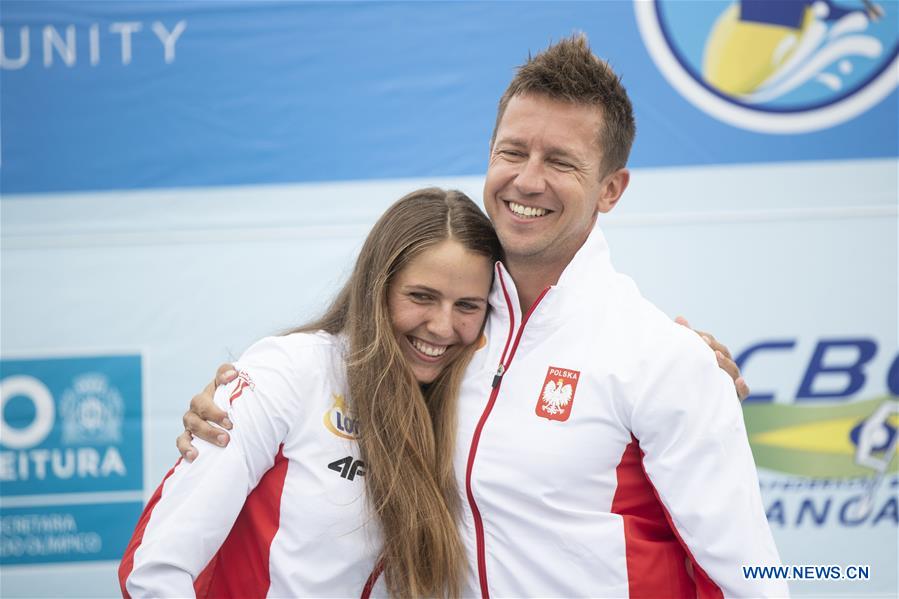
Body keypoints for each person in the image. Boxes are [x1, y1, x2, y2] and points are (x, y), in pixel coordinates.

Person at [177, 35, 787, 597]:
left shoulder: (660, 358)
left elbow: (752, 575)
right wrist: (236, 404)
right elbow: (324, 382)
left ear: (611, 189)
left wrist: (696, 373)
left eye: (562, 162)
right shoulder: (445, 335)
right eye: (512, 151)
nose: (528, 179)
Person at [119, 188, 502, 598]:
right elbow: (153, 569)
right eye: (421, 297)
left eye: (467, 306)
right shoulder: (292, 371)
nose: (443, 328)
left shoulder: (475, 398)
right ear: (377, 288)